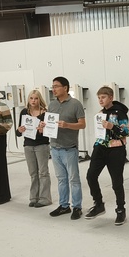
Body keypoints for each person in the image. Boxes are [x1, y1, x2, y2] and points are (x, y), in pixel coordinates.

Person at [85, 86, 129, 225]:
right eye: (99, 98)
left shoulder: (120, 113)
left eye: (103, 97)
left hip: (116, 149)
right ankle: (98, 204)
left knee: (116, 181)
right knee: (91, 175)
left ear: (111, 98)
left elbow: (127, 132)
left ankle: (120, 209)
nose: (100, 100)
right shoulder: (100, 113)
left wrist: (112, 127)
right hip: (100, 147)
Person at [44, 76, 86, 220]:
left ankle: (77, 207)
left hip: (69, 148)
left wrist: (67, 125)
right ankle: (64, 205)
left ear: (65, 88)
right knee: (61, 179)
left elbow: (82, 124)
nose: (53, 89)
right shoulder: (52, 105)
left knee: (74, 179)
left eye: (56, 86)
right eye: (52, 87)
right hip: (55, 147)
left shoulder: (75, 104)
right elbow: (49, 123)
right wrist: (44, 126)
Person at [16, 89, 52, 208]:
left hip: (41, 145)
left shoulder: (45, 113)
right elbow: (18, 132)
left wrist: (42, 130)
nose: (33, 101)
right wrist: (19, 130)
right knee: (33, 173)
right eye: (31, 98)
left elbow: (49, 132)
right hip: (28, 145)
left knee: (43, 172)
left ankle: (45, 198)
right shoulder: (24, 112)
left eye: (36, 98)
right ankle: (33, 197)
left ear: (39, 100)